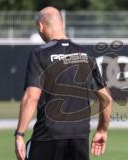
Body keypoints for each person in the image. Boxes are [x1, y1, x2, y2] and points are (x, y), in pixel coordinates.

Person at [14, 6, 112, 160]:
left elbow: (31, 97)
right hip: (79, 137)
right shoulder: (86, 55)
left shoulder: (40, 54)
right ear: (63, 24)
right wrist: (102, 130)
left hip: (47, 135)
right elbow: (106, 99)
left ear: (41, 26)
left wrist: (19, 134)